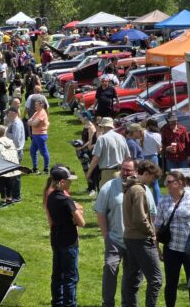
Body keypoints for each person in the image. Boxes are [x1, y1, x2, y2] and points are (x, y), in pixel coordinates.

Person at [94, 158, 154, 307]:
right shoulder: (109, 187)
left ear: (135, 171)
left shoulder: (144, 189)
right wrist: (105, 235)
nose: (125, 173)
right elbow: (100, 212)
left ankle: (129, 304)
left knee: (133, 274)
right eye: (123, 169)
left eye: (128, 170)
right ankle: (108, 303)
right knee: (110, 267)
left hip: (135, 240)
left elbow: (152, 213)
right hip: (115, 238)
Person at [155, 170, 190, 307]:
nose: (166, 185)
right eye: (166, 182)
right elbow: (157, 225)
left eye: (169, 182)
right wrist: (156, 246)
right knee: (171, 283)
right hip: (171, 249)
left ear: (179, 183)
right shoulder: (164, 201)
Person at [121, 159, 163, 307]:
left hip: (130, 237)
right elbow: (140, 218)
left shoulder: (130, 186)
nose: (153, 181)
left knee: (132, 277)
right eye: (152, 177)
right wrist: (152, 232)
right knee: (156, 279)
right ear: (146, 173)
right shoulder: (138, 189)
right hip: (140, 238)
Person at [47, 165, 85, 307]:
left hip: (56, 239)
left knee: (57, 274)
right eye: (69, 180)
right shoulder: (66, 200)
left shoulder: (51, 196)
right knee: (70, 277)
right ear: (61, 182)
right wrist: (77, 209)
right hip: (69, 241)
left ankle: (57, 302)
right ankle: (70, 304)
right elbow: (81, 223)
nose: (71, 183)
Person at [87, 117, 131, 188]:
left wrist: (88, 174)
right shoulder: (121, 137)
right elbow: (128, 157)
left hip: (107, 173)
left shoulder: (102, 138)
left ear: (103, 127)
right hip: (121, 172)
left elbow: (96, 159)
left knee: (106, 196)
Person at [0, 125, 20, 207]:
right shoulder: (10, 141)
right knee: (9, 183)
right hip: (11, 165)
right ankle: (9, 199)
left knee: (2, 184)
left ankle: (3, 201)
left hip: (1, 166)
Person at [141, 119, 163, 204]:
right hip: (154, 157)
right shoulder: (158, 135)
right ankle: (158, 203)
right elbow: (159, 150)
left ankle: (145, 202)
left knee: (143, 180)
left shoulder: (143, 133)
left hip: (144, 157)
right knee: (155, 182)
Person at [29, 98, 50, 174]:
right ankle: (35, 168)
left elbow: (34, 124)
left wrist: (32, 122)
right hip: (35, 135)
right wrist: (32, 122)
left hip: (40, 135)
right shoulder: (36, 112)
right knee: (32, 151)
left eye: (36, 104)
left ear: (41, 105)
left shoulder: (42, 113)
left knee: (43, 152)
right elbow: (29, 121)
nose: (35, 106)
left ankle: (46, 169)